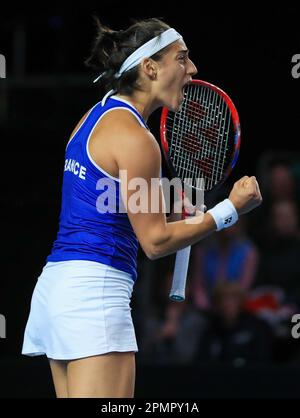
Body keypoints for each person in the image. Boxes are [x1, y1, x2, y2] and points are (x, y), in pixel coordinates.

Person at [21, 17, 262, 398]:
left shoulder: (94, 116)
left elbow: (111, 214)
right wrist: (228, 210)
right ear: (150, 67)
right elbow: (154, 242)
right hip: (94, 296)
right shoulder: (137, 138)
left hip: (58, 290)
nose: (193, 69)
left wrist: (179, 218)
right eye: (182, 58)